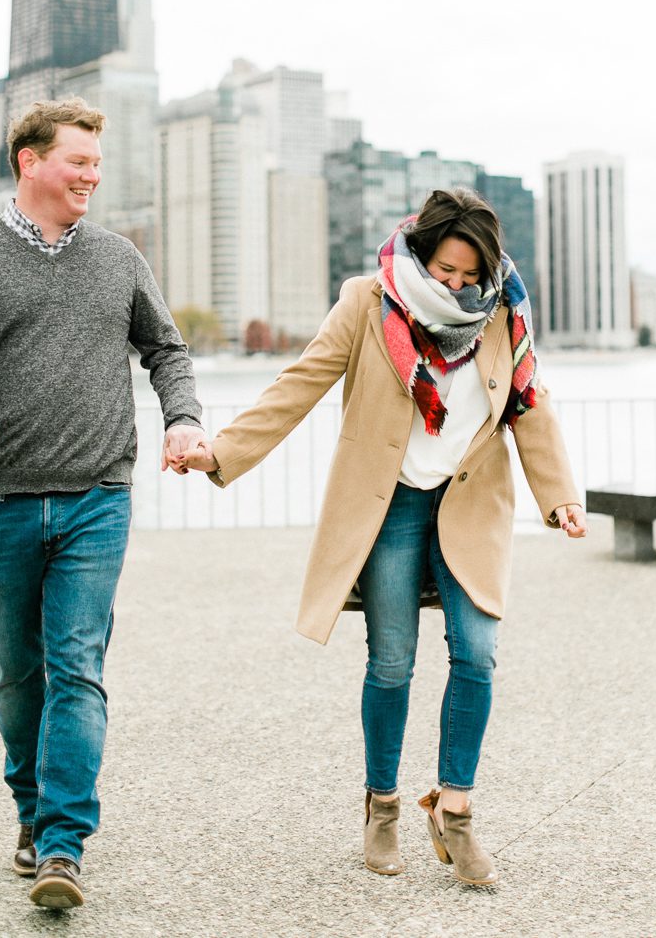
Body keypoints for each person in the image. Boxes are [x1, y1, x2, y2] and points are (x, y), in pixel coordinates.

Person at [181, 187, 586, 886]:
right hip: (391, 503)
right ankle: (383, 804)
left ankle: (453, 810)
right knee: (392, 660)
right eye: (445, 273)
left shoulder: (503, 314)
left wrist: (560, 499)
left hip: (470, 503)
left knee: (479, 653)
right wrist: (222, 452)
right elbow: (300, 381)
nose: (457, 287)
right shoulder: (368, 303)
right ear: (421, 254)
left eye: (469, 276)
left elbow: (529, 407)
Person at [0, 98, 203, 911]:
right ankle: (28, 811)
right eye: (78, 161)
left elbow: (167, 349)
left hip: (96, 498)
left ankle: (62, 846)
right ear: (30, 160)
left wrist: (183, 419)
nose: (92, 175)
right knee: (16, 678)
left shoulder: (118, 259)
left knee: (76, 668)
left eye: (96, 164)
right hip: (3, 502)